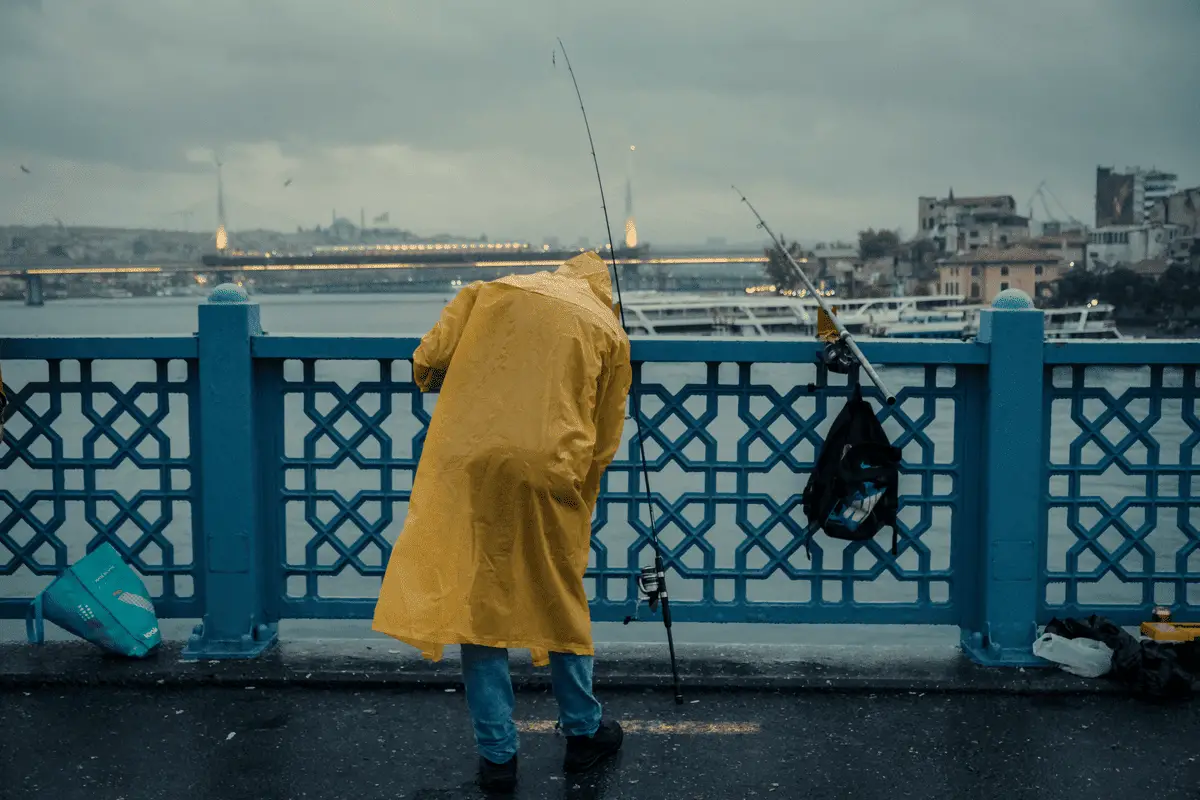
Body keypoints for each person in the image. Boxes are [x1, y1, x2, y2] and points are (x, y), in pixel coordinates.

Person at [373, 251, 632, 792]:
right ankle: (583, 734)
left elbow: (428, 364)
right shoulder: (606, 325)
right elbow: (604, 436)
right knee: (559, 595)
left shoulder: (493, 290)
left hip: (472, 461)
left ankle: (498, 757)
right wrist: (579, 492)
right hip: (547, 468)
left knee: (480, 605)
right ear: (599, 288)